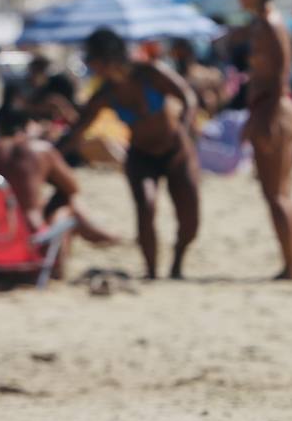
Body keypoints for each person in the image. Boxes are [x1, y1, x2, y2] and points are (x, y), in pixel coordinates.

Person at [65, 28, 201, 279]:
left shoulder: (150, 74)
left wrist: (185, 127)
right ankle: (151, 273)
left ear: (106, 58)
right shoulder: (106, 93)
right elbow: (78, 130)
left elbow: (187, 96)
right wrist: (51, 152)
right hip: (141, 155)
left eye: (93, 61)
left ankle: (178, 260)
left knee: (190, 220)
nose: (91, 67)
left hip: (176, 150)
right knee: (146, 208)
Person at [0, 103, 119, 273]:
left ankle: (97, 234)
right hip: (29, 243)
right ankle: (94, 238)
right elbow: (72, 188)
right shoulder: (39, 149)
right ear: (29, 125)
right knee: (66, 201)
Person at [237, 0, 292, 280]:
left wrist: (264, 118)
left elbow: (279, 77)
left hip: (275, 110)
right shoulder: (262, 23)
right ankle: (291, 264)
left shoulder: (270, 24)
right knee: (277, 194)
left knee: (277, 195)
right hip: (271, 109)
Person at [169, 38, 226, 120]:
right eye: (177, 54)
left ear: (189, 53)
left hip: (207, 121)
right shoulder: (172, 77)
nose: (179, 58)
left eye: (182, 54)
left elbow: (220, 98)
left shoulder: (208, 75)